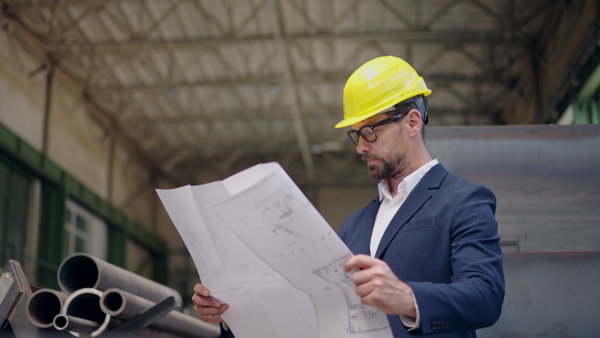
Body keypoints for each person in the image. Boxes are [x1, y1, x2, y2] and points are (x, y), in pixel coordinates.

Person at [192, 56, 505, 337]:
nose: (360, 146)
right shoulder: (354, 226)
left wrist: (407, 298)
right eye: (356, 134)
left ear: (412, 122)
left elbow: (486, 296)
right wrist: (234, 315)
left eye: (370, 130)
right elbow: (319, 313)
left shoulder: (463, 200)